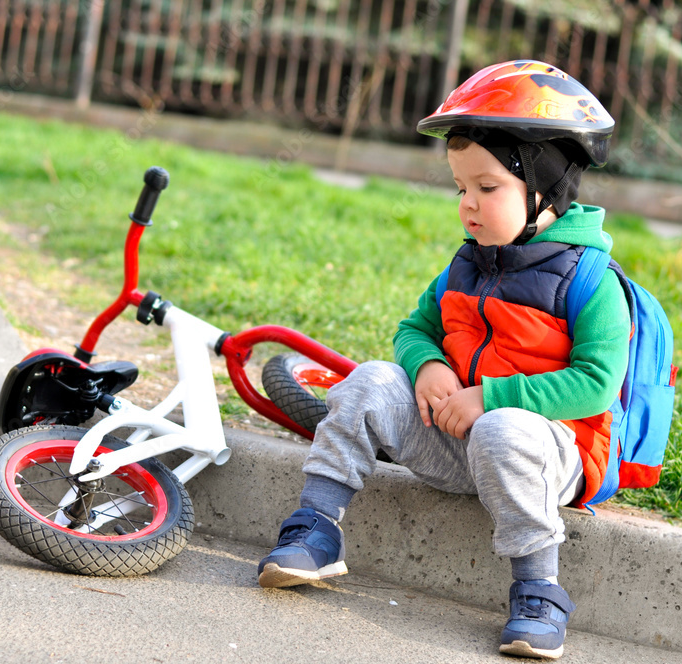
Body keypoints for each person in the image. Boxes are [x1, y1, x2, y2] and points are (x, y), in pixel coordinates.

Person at [257, 60, 630, 660]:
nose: (468, 205)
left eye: (488, 188)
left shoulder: (590, 282)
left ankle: (538, 591)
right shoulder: (467, 264)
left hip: (544, 455)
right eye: (461, 188)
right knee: (372, 379)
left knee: (503, 430)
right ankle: (315, 530)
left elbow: (596, 385)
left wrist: (490, 398)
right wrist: (428, 365)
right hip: (457, 439)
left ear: (547, 189)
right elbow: (414, 329)